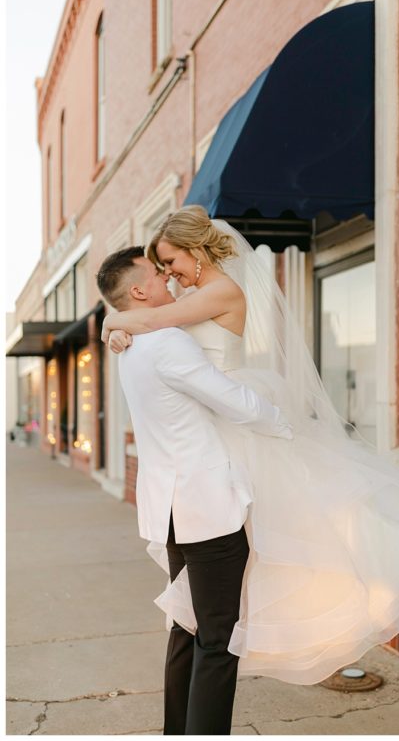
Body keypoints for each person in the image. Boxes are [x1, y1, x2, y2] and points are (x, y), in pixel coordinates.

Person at [101, 206, 399, 685]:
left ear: (196, 250)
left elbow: (156, 320)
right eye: (161, 268)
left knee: (296, 540)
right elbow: (157, 323)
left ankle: (329, 620)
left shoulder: (220, 291)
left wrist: (116, 324)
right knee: (241, 571)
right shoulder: (186, 304)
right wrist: (124, 323)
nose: (169, 273)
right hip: (215, 428)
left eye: (171, 262)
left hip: (235, 420)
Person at [95, 246, 294, 734]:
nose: (167, 281)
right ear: (139, 291)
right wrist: (288, 425)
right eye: (156, 276)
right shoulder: (165, 342)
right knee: (218, 639)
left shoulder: (132, 346)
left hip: (170, 507)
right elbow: (230, 401)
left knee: (187, 627)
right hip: (206, 508)